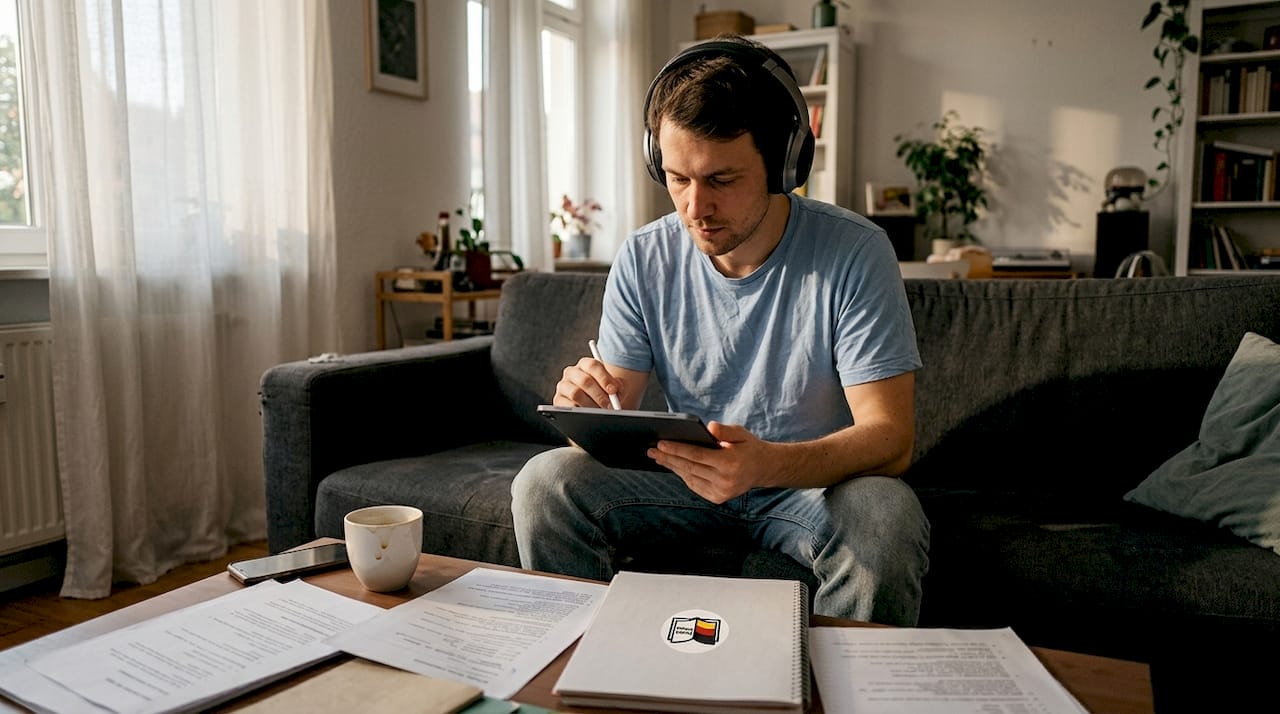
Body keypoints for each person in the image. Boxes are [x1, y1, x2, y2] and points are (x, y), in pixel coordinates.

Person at [510, 35, 929, 625]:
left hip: (813, 491)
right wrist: (586, 410)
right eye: (678, 178)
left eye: (722, 180)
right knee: (545, 482)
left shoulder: (855, 251)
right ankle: (582, 673)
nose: (695, 208)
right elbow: (611, 418)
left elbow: (891, 438)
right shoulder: (644, 256)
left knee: (885, 515)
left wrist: (764, 465)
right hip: (684, 482)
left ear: (783, 164)